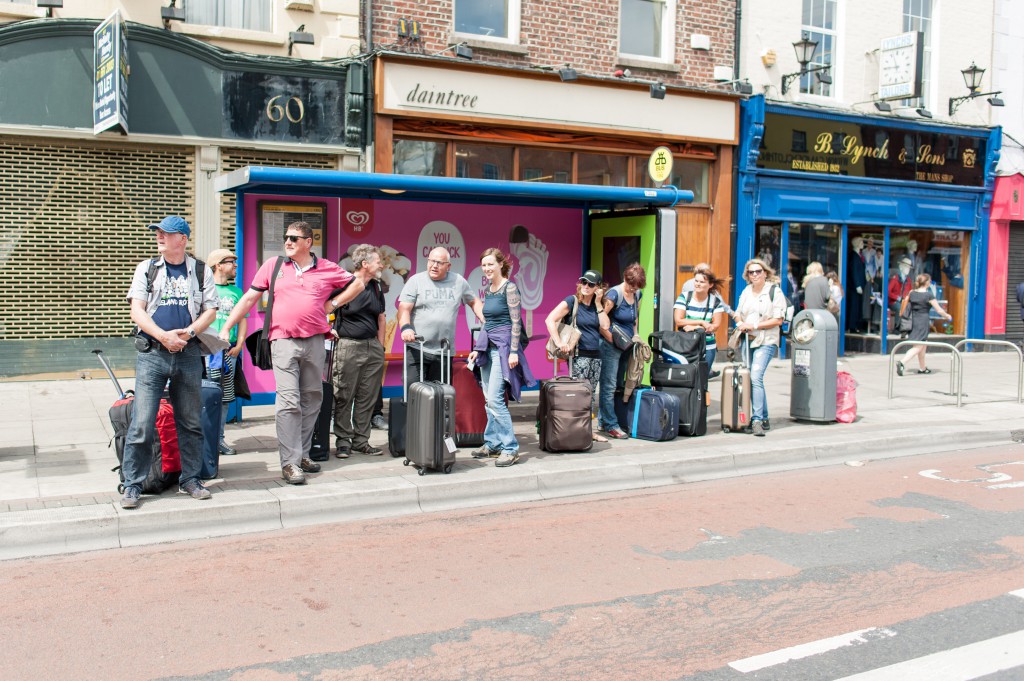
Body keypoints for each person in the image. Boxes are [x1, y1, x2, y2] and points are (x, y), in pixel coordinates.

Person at [218, 221, 363, 485]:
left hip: (316, 341)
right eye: (286, 237)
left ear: (308, 242)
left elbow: (358, 284)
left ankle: (302, 453)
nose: (288, 242)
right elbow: (249, 298)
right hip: (282, 341)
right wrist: (227, 326)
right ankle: (289, 462)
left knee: (313, 399)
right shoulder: (273, 266)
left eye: (294, 238)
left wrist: (333, 303)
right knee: (288, 402)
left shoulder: (327, 267)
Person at [120, 216, 219, 509]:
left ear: (183, 239)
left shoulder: (200, 270)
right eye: (158, 233)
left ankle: (190, 479)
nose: (160, 236)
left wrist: (188, 334)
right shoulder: (147, 268)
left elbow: (210, 310)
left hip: (187, 353)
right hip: (152, 353)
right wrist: (163, 336)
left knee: (190, 421)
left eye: (167, 233)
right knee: (142, 422)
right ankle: (132, 484)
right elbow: (136, 312)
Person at [467, 249, 536, 467]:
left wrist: (514, 351)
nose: (486, 269)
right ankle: (493, 443)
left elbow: (516, 322)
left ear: (500, 265)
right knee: (489, 399)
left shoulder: (510, 288)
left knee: (496, 399)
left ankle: (510, 447)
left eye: (490, 265)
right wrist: (478, 348)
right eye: (484, 265)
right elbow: (488, 323)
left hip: (503, 349)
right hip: (488, 349)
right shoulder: (490, 290)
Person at [325, 244, 387, 458]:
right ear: (365, 264)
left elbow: (381, 316)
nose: (382, 265)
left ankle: (362, 441)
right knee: (344, 394)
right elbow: (325, 307)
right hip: (348, 346)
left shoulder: (377, 287)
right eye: (378, 261)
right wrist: (329, 330)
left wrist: (380, 345)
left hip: (373, 347)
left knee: (367, 396)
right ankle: (343, 441)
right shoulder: (344, 283)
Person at [398, 247, 483, 389]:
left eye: (439, 262)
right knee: (413, 394)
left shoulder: (458, 282)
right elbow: (404, 309)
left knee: (441, 396)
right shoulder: (415, 281)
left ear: (448, 266)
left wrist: (485, 318)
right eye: (431, 261)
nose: (434, 265)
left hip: (444, 350)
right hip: (417, 348)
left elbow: (474, 301)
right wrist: (406, 328)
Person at [544, 269, 607, 443]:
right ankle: (573, 429)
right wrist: (558, 342)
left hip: (596, 356)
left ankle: (588, 430)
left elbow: (605, 326)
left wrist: (600, 302)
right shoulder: (572, 301)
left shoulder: (597, 305)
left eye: (591, 284)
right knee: (577, 395)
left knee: (590, 395)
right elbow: (550, 319)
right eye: (584, 282)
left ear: (598, 288)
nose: (586, 286)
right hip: (579, 356)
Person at [732, 258, 786, 437]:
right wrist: (740, 322)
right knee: (752, 379)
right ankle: (764, 418)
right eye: (751, 272)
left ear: (765, 273)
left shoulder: (774, 291)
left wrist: (753, 326)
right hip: (748, 341)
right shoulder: (746, 291)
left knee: (755, 377)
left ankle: (756, 420)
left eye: (758, 271)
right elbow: (738, 313)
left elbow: (778, 320)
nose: (754, 274)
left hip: (766, 340)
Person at [597, 262, 646, 439]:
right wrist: (613, 340)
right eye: (632, 286)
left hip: (627, 344)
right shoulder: (614, 294)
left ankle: (603, 421)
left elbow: (635, 318)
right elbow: (601, 322)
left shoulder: (638, 293)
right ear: (625, 279)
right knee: (609, 386)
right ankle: (611, 424)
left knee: (619, 384)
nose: (634, 290)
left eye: (637, 288)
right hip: (611, 345)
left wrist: (635, 336)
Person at [206, 248, 247, 456]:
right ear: (218, 265)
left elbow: (242, 320)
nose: (236, 266)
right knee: (206, 396)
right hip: (206, 351)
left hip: (228, 352)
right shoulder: (206, 289)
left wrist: (239, 344)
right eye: (232, 262)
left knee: (223, 398)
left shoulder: (237, 292)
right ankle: (206, 439)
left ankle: (218, 439)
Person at [896, 273, 953, 376]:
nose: (930, 283)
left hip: (913, 322)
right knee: (918, 347)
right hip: (923, 322)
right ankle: (902, 362)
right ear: (926, 283)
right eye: (930, 281)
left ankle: (923, 368)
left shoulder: (912, 293)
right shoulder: (928, 295)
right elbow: (939, 310)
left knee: (922, 345)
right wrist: (947, 316)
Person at [673, 267, 727, 373]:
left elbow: (714, 326)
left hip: (707, 345)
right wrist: (701, 322)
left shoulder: (715, 302)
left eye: (702, 282)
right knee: (687, 376)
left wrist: (693, 327)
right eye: (696, 281)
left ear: (710, 285)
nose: (697, 284)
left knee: (703, 379)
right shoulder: (685, 297)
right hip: (687, 344)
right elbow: (678, 321)